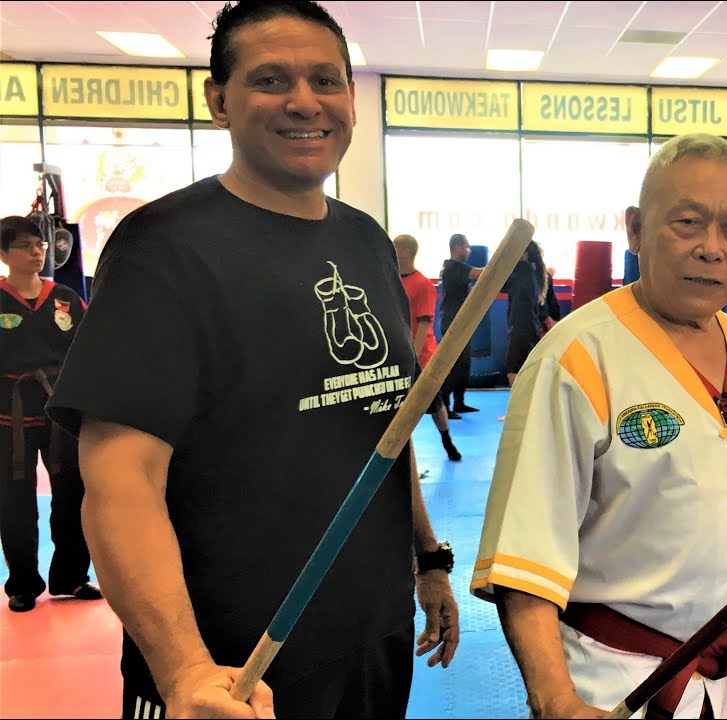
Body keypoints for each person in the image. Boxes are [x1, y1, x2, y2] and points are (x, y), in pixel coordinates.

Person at [46, 2, 459, 717]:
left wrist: (428, 560)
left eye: (325, 80)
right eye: (271, 80)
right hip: (229, 673)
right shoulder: (163, 248)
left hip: (371, 637)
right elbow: (119, 482)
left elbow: (382, 430)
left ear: (351, 98)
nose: (304, 102)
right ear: (218, 101)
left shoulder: (365, 241)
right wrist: (183, 671)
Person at [473, 134, 727, 719]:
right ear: (635, 229)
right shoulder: (577, 358)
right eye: (688, 222)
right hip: (605, 683)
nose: (712, 249)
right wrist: (555, 700)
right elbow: (524, 558)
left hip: (726, 677)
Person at [0, 216, 99, 613]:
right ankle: (23, 584)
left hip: (62, 414)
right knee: (15, 503)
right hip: (10, 417)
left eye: (40, 244)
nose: (37, 252)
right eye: (25, 246)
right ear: (4, 254)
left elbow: (89, 350)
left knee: (73, 497)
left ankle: (71, 577)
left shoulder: (66, 298)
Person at [393, 234, 462, 458]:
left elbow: (423, 325)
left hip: (420, 356)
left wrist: (412, 358)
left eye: (396, 247)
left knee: (433, 403)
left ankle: (447, 440)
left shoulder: (422, 284)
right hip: (397, 353)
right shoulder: (392, 281)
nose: (392, 251)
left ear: (406, 252)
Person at [439, 233, 482, 414]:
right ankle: (443, 405)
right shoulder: (452, 268)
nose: (469, 251)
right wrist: (504, 260)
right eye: (466, 247)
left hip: (461, 323)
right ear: (457, 247)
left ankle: (459, 403)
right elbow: (481, 273)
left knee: (464, 365)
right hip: (453, 323)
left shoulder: (455, 268)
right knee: (454, 365)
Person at [503, 240, 550, 387]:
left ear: (524, 253)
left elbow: (501, 283)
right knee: (523, 368)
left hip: (521, 326)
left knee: (513, 369)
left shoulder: (522, 268)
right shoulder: (532, 271)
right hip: (530, 326)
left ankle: (518, 400)